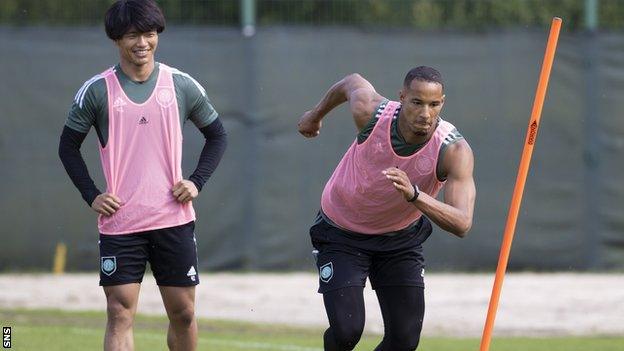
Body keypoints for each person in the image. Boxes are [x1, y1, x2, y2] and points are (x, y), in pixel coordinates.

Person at [58, 1, 227, 350]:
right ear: (117, 39)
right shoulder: (96, 91)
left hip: (173, 220)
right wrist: (92, 194)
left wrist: (196, 181)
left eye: (149, 34)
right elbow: (67, 147)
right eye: (133, 35)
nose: (142, 43)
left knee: (183, 314)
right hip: (121, 223)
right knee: (119, 312)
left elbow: (218, 136)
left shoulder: (180, 85)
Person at [298, 66, 475, 351]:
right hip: (341, 231)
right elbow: (351, 82)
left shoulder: (453, 151)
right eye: (417, 102)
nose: (425, 114)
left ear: (443, 102)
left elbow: (462, 223)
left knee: (404, 341)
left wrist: (414, 195)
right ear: (402, 97)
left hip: (400, 240)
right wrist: (314, 115)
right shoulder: (372, 113)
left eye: (434, 104)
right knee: (347, 332)